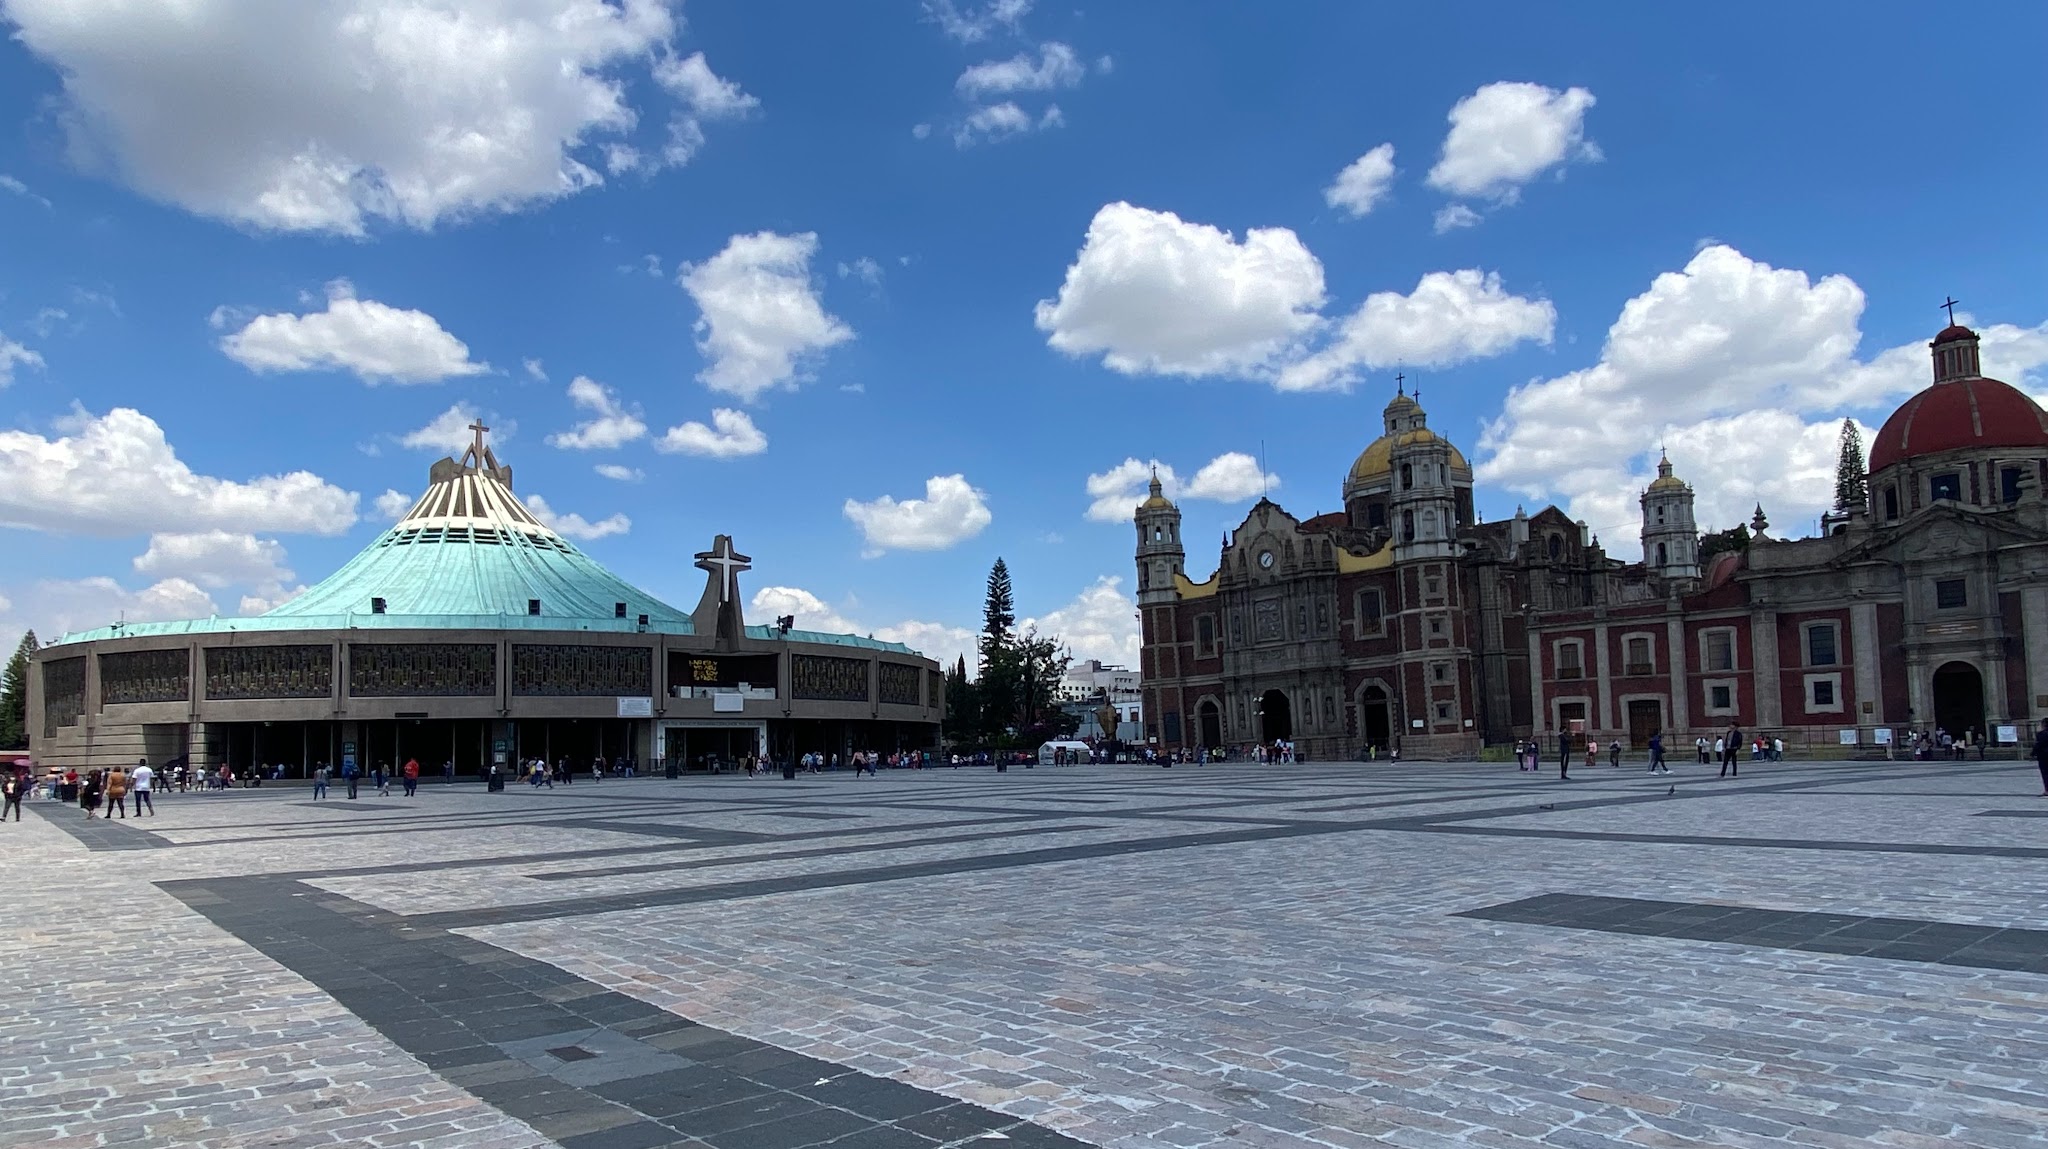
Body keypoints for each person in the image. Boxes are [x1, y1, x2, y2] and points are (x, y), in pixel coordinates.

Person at [2033, 719, 2048, 797]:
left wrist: (2033, 753)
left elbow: (2038, 745)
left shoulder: (2041, 734)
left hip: (2044, 756)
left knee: (2045, 773)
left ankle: (2047, 790)